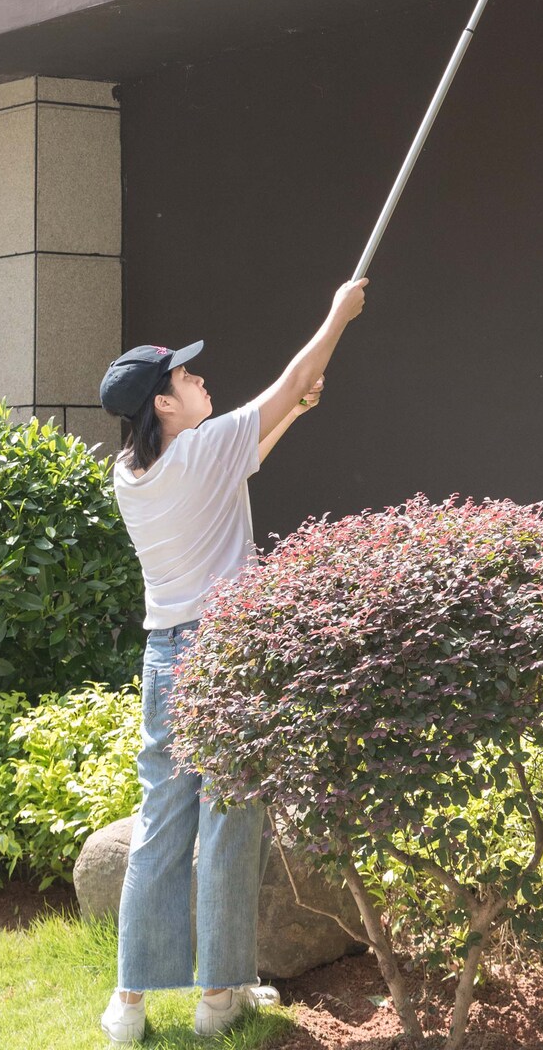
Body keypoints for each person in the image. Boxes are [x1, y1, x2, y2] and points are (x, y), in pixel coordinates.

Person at [96, 277, 368, 1044]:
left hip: (164, 658)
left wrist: (286, 420)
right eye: (186, 376)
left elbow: (233, 460)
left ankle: (129, 1005)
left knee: (160, 825)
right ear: (163, 405)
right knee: (229, 821)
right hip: (225, 655)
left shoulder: (133, 475)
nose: (200, 378)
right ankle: (219, 1000)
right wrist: (336, 315)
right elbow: (289, 382)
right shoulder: (204, 449)